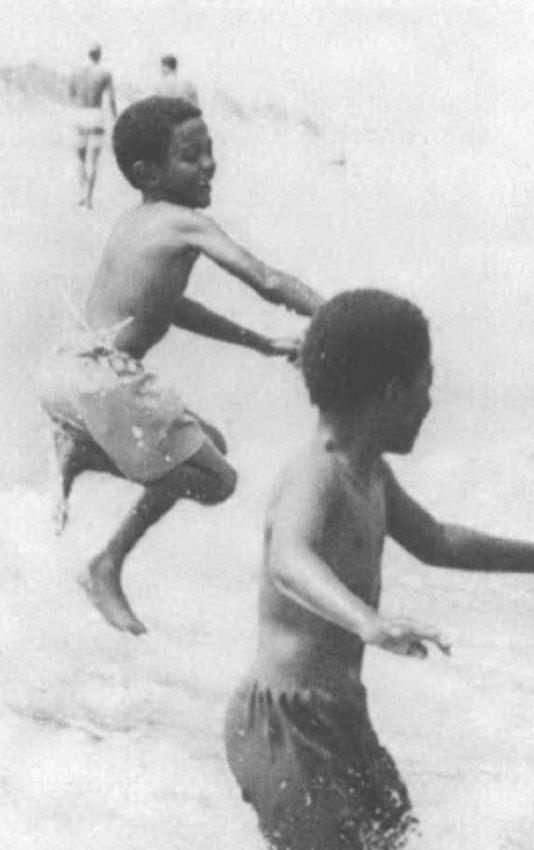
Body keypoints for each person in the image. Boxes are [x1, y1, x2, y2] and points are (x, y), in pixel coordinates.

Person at [224, 289, 534, 850]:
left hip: (339, 720)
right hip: (282, 729)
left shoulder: (369, 472)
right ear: (388, 392)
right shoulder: (314, 477)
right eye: (425, 386)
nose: (432, 404)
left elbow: (437, 541)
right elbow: (289, 558)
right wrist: (367, 622)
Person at [39, 95, 326, 635]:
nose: (210, 164)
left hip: (68, 369)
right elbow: (265, 279)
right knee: (218, 483)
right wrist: (337, 315)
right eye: (193, 155)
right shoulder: (186, 224)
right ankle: (104, 554)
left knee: (207, 440)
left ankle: (97, 513)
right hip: (105, 380)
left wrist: (261, 343)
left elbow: (169, 307)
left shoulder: (137, 221)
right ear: (150, 170)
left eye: (210, 150)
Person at [68, 43, 118, 208]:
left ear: (88, 54)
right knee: (94, 161)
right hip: (96, 115)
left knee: (80, 160)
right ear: (100, 55)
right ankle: (89, 199)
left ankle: (82, 193)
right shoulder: (105, 73)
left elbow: (71, 95)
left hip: (81, 114)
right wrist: (116, 119)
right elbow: (111, 101)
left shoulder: (75, 72)